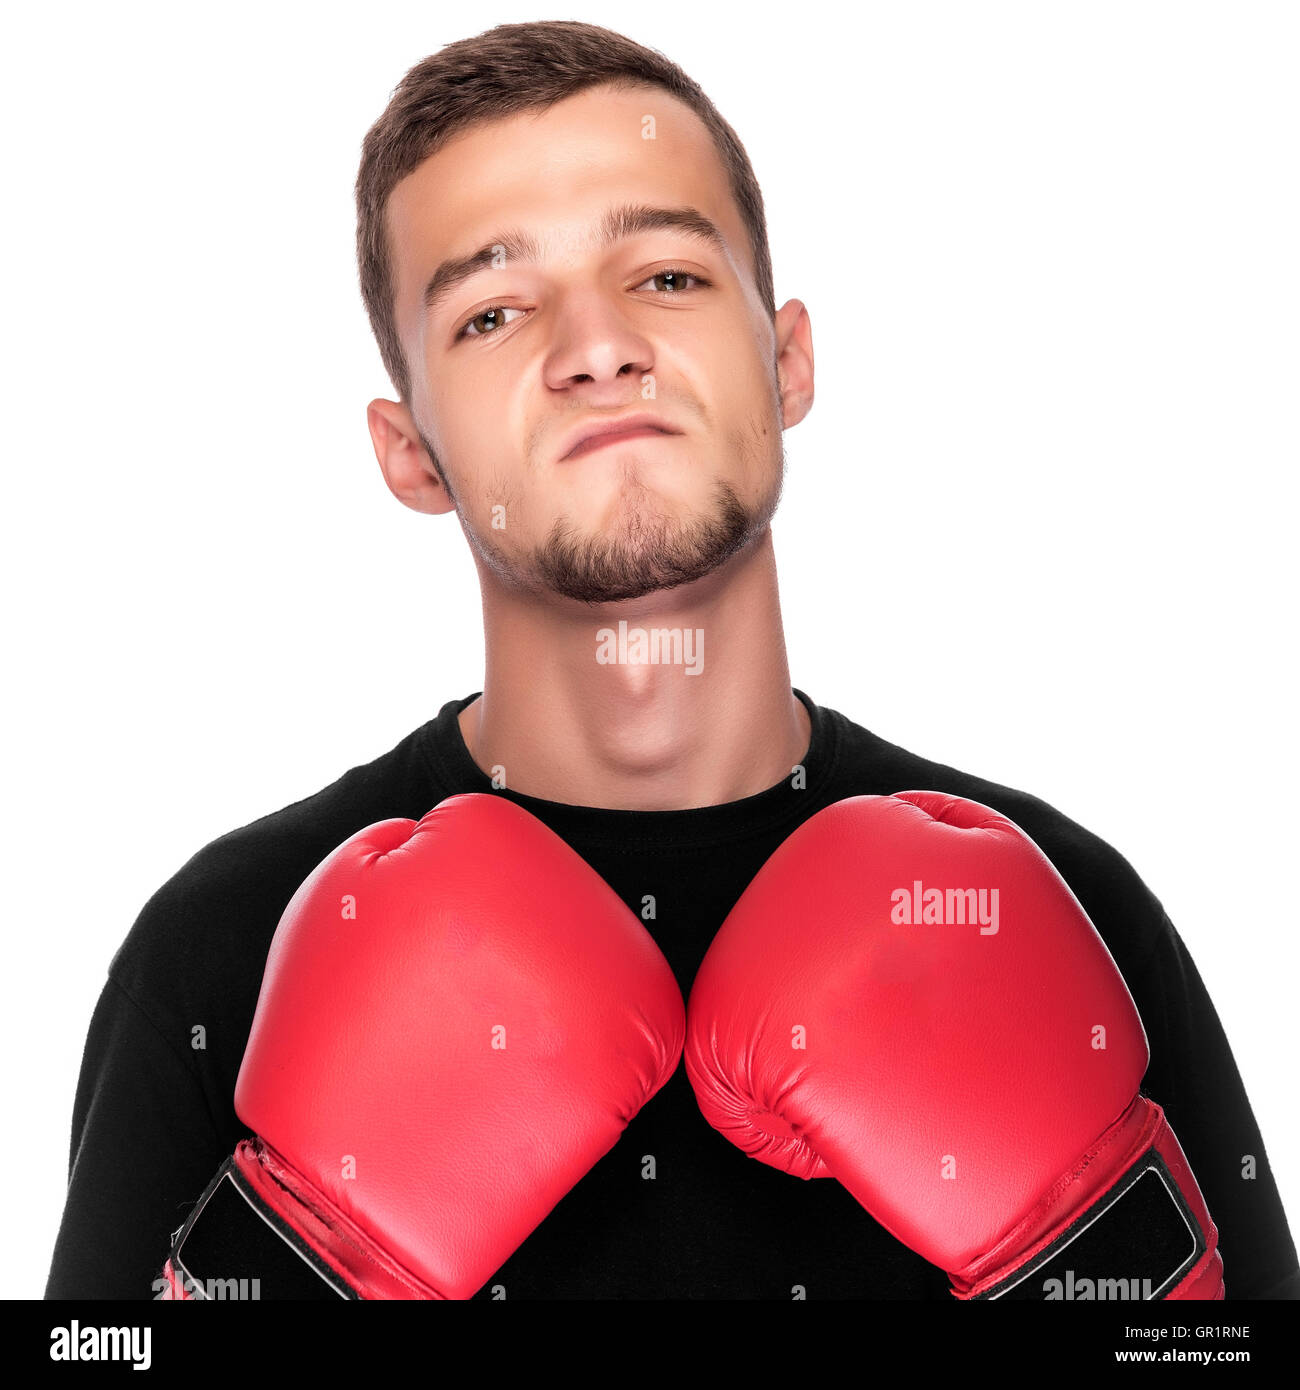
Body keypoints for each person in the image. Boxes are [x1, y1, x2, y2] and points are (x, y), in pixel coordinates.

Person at [45, 19, 1297, 1300]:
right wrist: (304, 1260)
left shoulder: (1061, 906)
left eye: (667, 275)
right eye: (491, 311)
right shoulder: (229, 945)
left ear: (787, 361)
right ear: (409, 452)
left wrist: (1088, 1253)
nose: (596, 347)